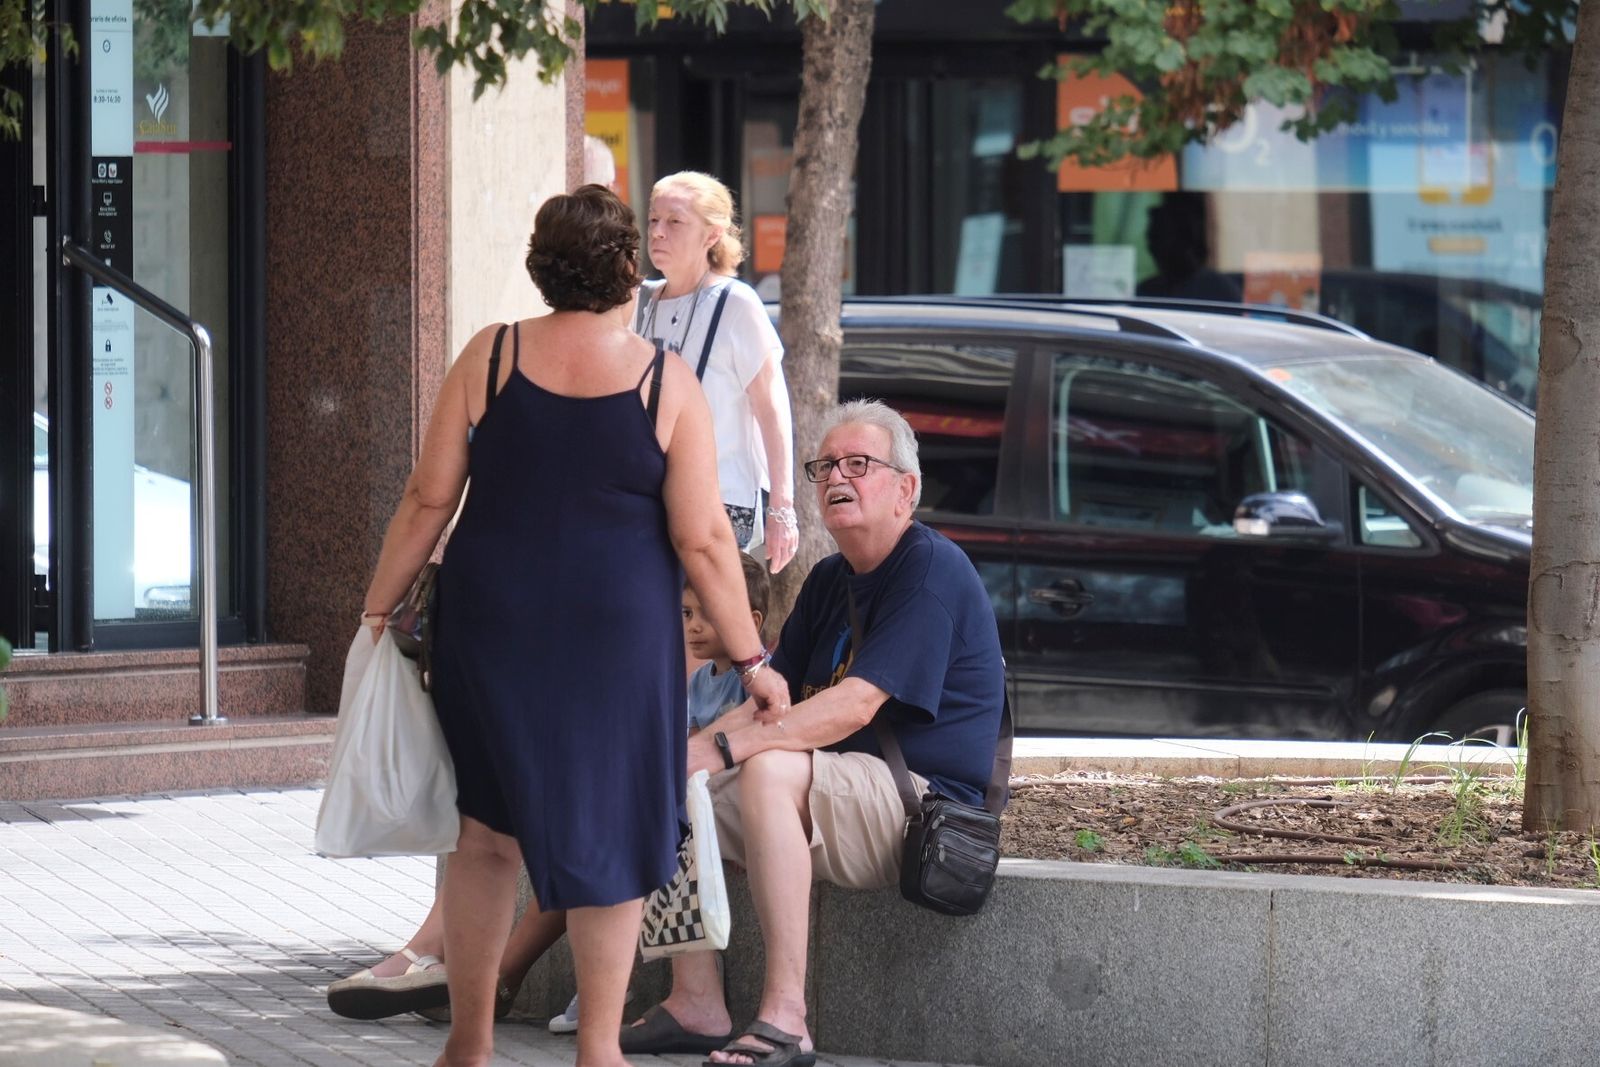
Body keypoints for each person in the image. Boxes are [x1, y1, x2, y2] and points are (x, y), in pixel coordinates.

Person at [356, 184, 788, 1067]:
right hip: (618, 636)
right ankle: (599, 1050)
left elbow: (428, 497)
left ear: (539, 267)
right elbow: (704, 539)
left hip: (492, 623)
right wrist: (751, 658)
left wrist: (375, 607)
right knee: (611, 827)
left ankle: (468, 1047)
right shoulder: (666, 383)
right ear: (628, 268)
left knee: (484, 835)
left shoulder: (490, 356)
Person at [619, 400, 1007, 1066]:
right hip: (828, 787)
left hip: (917, 804)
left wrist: (722, 748)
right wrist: (689, 754)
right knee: (665, 783)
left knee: (768, 766)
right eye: (825, 465)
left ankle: (786, 1018)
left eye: (859, 463)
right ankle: (697, 999)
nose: (836, 477)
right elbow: (767, 696)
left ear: (905, 488)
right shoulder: (831, 579)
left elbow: (854, 706)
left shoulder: (932, 570)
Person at [324, 553, 770, 1031]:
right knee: (577, 829)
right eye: (687, 614)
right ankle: (516, 982)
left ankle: (527, 985)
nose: (694, 627)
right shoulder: (700, 677)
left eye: (706, 613)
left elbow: (739, 737)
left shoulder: (755, 679)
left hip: (708, 794)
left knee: (603, 830)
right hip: (677, 785)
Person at [634, 171, 798, 573]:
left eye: (675, 222)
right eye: (654, 220)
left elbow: (771, 408)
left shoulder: (736, 303)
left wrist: (782, 508)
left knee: (700, 627)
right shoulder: (638, 300)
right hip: (646, 497)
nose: (658, 232)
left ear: (712, 235)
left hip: (720, 500)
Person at [1136, 192, 1242, 303]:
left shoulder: (1217, 290)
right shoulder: (1146, 292)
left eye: (1163, 239)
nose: (1153, 248)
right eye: (1153, 240)